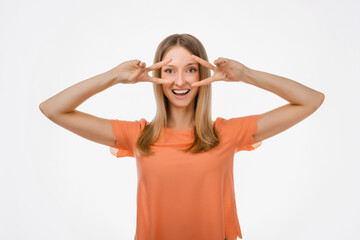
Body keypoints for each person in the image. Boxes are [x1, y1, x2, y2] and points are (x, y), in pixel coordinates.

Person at [39, 33, 325, 240]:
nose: (180, 81)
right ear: (157, 76)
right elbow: (52, 109)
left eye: (190, 70)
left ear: (203, 75)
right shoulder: (138, 136)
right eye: (169, 71)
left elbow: (310, 101)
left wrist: (247, 75)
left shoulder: (227, 133)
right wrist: (113, 77)